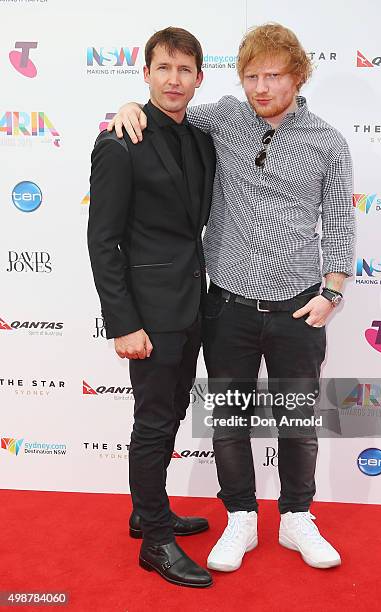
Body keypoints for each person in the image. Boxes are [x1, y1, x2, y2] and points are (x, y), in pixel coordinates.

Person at [108, 23, 355, 573]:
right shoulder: (221, 116)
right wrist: (127, 104)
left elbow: (338, 223)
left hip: (300, 305)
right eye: (251, 77)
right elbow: (166, 106)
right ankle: (240, 516)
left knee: (297, 419)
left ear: (297, 76)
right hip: (226, 305)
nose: (261, 88)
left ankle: (296, 517)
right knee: (229, 420)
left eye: (273, 76)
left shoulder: (328, 142)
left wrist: (331, 294)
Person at [88, 27, 215, 588]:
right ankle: (156, 543)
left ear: (198, 78)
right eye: (163, 68)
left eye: (185, 70)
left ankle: (148, 511)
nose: (173, 79)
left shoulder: (203, 138)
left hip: (192, 307)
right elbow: (103, 242)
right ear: (145, 73)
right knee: (153, 422)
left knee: (168, 417)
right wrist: (125, 323)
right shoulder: (119, 143)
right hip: (148, 316)